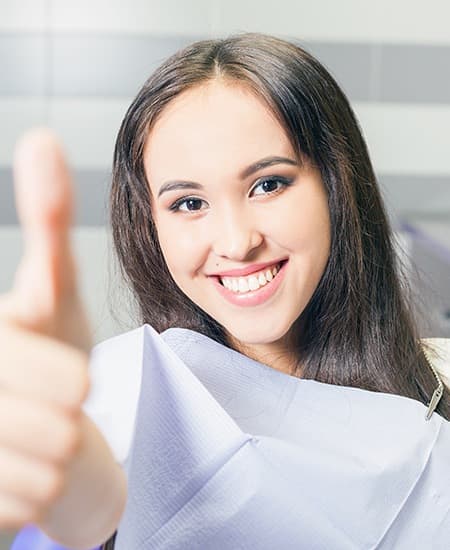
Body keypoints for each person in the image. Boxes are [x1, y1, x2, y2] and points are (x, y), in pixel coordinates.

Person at [3, 33, 450, 549]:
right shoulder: (122, 400)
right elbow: (84, 504)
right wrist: (81, 507)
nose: (237, 243)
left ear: (336, 185)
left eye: (269, 184)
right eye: (189, 204)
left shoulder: (438, 385)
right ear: (150, 225)